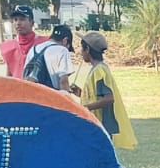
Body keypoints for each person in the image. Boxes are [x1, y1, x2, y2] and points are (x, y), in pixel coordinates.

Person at [74, 31, 136, 160]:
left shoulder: (99, 71)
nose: (81, 52)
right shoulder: (97, 70)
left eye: (82, 48)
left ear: (87, 49)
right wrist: (79, 93)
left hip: (101, 125)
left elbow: (108, 98)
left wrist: (85, 108)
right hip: (96, 124)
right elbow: (96, 95)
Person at [0, 4, 49, 79]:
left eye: (22, 19)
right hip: (17, 86)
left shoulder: (44, 44)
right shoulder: (10, 47)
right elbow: (9, 75)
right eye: (15, 20)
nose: (18, 23)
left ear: (32, 23)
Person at [24, 23, 74, 92]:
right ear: (65, 41)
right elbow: (63, 81)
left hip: (30, 94)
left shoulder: (33, 49)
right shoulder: (62, 50)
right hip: (49, 96)